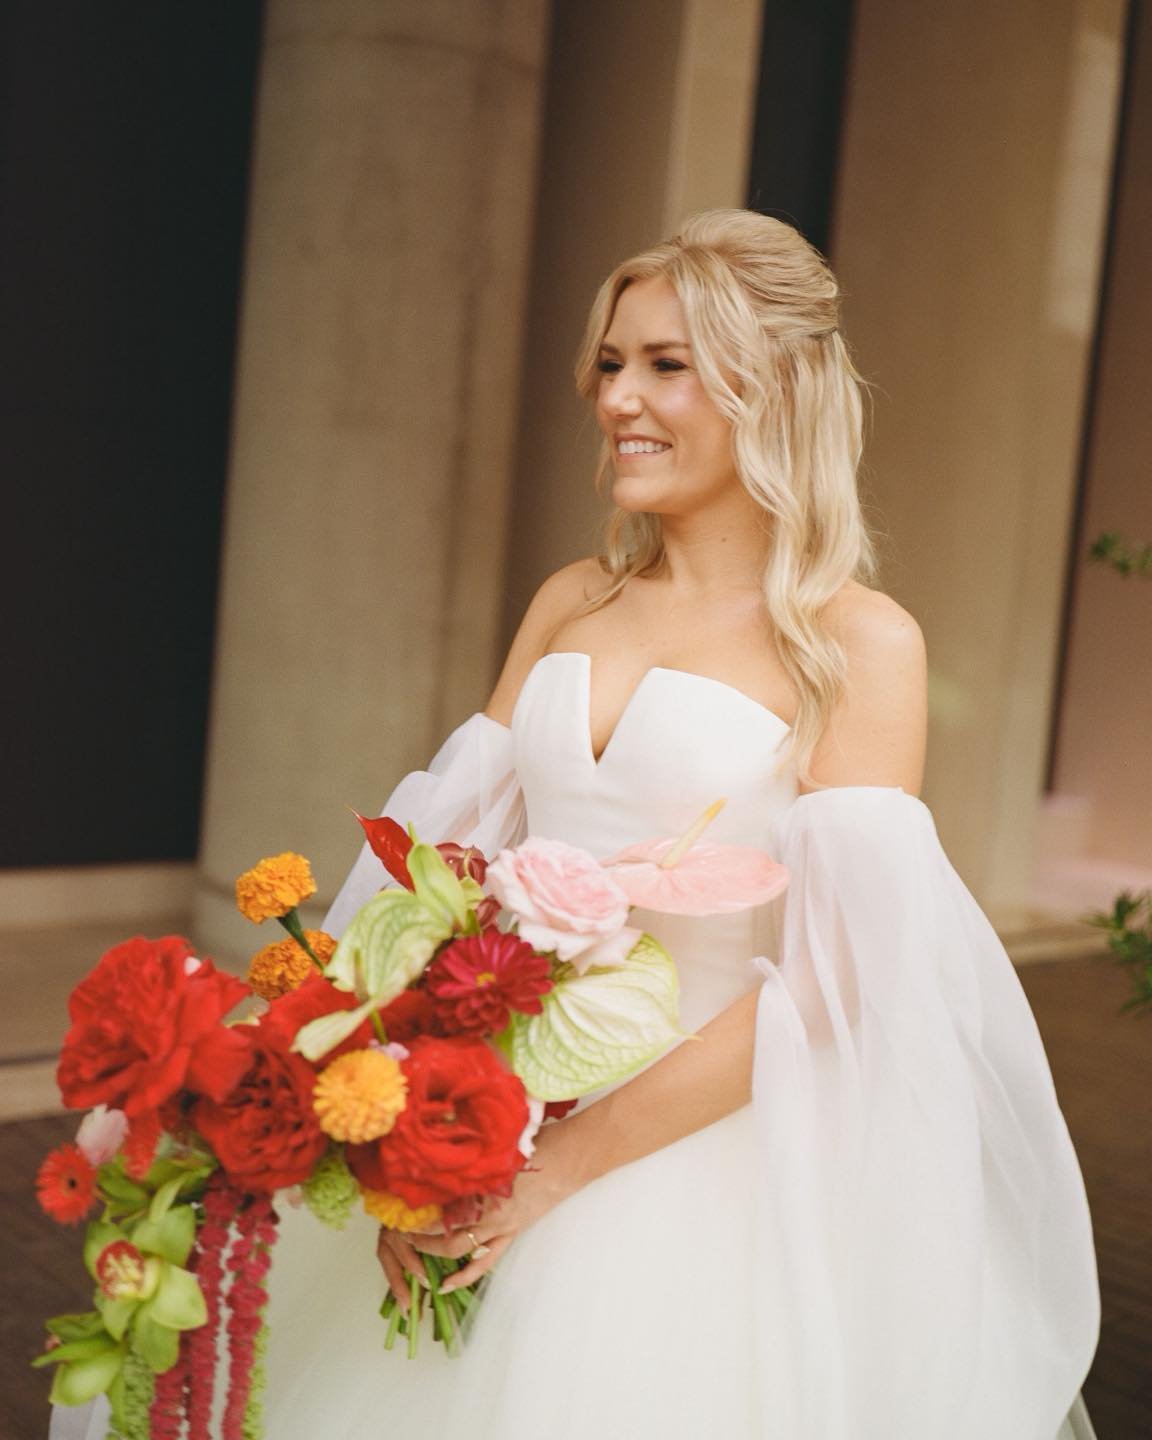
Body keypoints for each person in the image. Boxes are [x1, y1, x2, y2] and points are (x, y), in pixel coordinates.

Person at [50, 209, 1101, 1439]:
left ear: (774, 387)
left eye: (667, 364)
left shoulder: (859, 644)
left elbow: (836, 981)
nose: (619, 399)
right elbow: (434, 876)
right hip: (488, 1110)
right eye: (611, 363)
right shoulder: (571, 600)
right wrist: (391, 1120)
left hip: (704, 1158)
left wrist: (563, 1168)